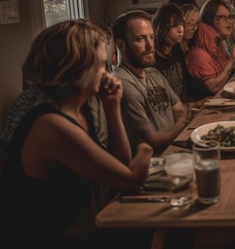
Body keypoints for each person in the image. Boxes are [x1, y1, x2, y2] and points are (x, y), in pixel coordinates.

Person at [0, 20, 152, 247]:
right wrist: (146, 146)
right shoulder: (51, 125)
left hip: (84, 232)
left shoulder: (81, 109)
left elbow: (120, 165)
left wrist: (112, 106)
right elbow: (131, 179)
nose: (106, 72)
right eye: (100, 64)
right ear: (78, 69)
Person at [113, 10, 190, 155]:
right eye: (140, 39)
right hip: (153, 167)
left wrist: (179, 123)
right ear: (120, 44)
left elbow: (180, 110)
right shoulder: (121, 83)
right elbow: (153, 143)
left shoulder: (153, 73)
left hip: (175, 151)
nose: (150, 45)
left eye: (151, 37)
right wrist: (183, 124)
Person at [186, 0, 235, 100]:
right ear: (210, 19)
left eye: (230, 17)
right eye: (222, 17)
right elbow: (213, 88)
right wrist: (232, 60)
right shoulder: (199, 53)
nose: (228, 21)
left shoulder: (218, 43)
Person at [152, 2, 187, 100]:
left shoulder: (177, 49)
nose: (181, 30)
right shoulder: (151, 58)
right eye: (175, 26)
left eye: (181, 24)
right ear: (161, 28)